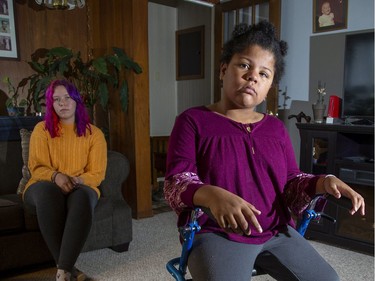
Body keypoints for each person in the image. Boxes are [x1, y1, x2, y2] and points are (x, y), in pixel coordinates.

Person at [164, 21, 365, 281]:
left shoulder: (276, 129)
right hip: (217, 232)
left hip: (276, 231)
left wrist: (324, 183)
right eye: (245, 65)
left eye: (264, 73)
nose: (253, 76)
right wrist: (211, 194)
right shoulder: (192, 121)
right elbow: (176, 183)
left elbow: (292, 182)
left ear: (269, 87)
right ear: (224, 70)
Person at [23, 79, 107, 281]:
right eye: (57, 99)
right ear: (51, 105)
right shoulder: (41, 130)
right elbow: (36, 168)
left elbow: (97, 174)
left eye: (67, 98)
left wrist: (76, 180)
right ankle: (69, 269)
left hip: (80, 184)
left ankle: (63, 272)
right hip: (43, 185)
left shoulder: (94, 134)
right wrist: (56, 176)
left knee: (84, 197)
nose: (63, 103)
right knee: (47, 192)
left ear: (77, 100)